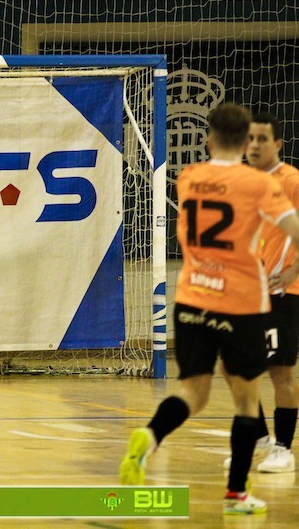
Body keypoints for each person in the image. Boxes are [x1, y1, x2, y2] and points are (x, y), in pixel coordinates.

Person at [118, 104, 299, 515]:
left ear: (209, 140)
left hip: (194, 296)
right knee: (246, 398)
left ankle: (150, 436)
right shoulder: (258, 185)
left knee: (193, 391)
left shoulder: (190, 177)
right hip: (241, 301)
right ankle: (236, 494)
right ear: (244, 142)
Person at [235, 112, 299, 473]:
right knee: (237, 368)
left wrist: (293, 269)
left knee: (281, 372)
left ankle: (284, 450)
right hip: (246, 292)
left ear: (277, 145)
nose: (255, 146)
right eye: (250, 139)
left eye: (263, 139)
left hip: (283, 291)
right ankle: (259, 439)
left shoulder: (290, 181)